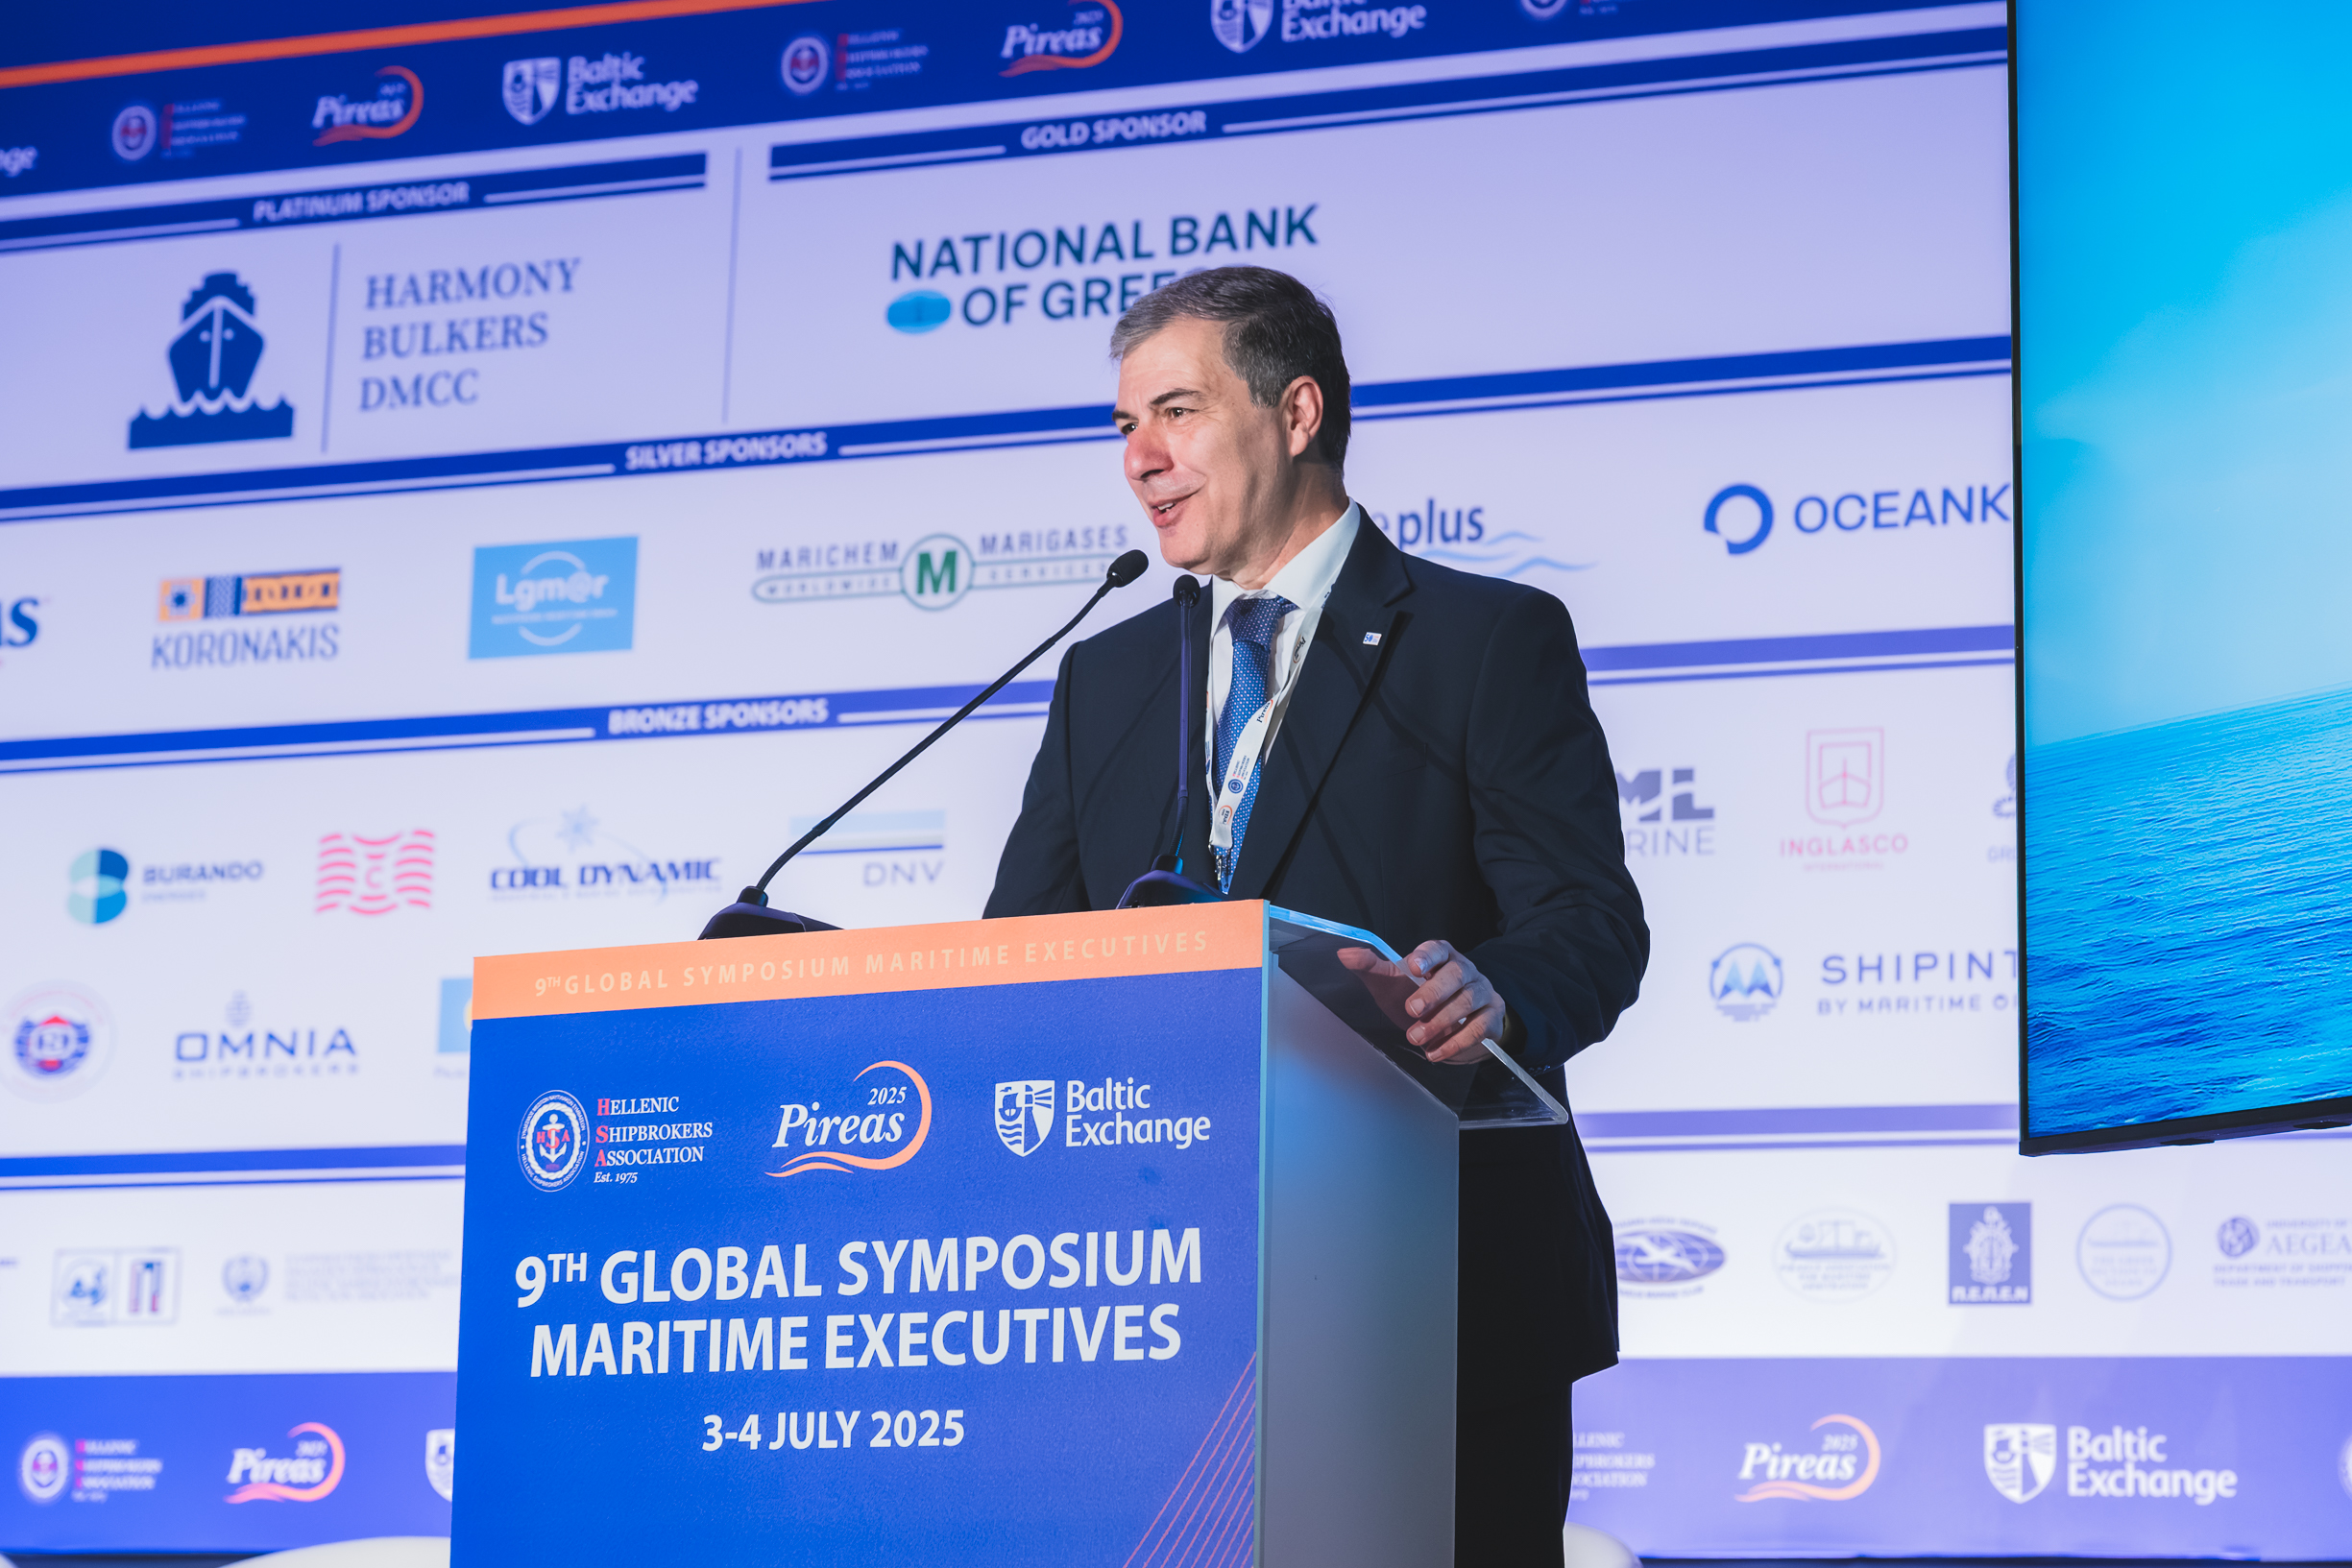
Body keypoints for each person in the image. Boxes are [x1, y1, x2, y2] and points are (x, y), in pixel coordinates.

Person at [984, 265, 1647, 1565]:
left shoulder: (1482, 639)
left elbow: (1587, 919)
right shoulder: (1105, 677)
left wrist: (1497, 990)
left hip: (1435, 1290)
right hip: (1158, 1295)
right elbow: (1021, 954)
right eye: (1124, 425)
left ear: (1296, 413)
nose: (1140, 456)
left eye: (1175, 411)